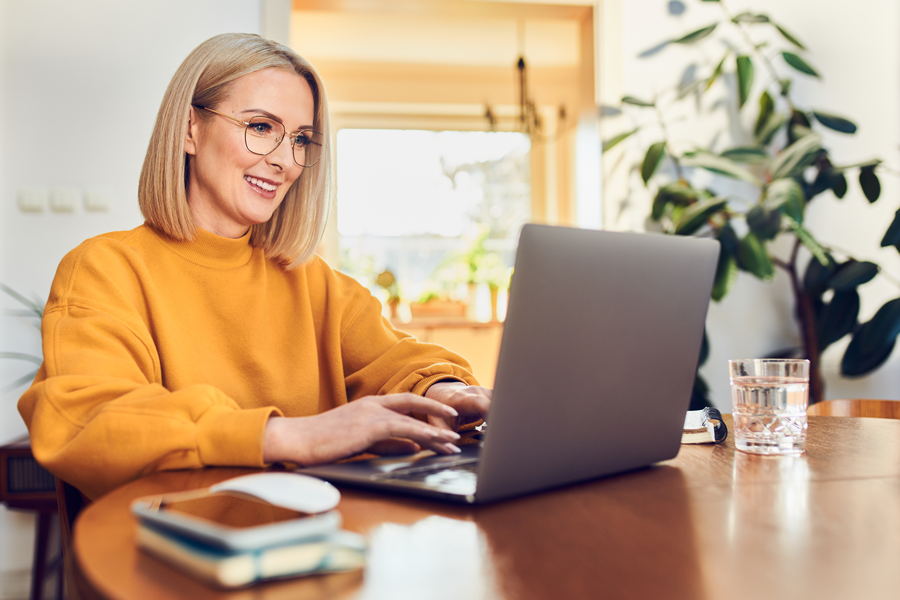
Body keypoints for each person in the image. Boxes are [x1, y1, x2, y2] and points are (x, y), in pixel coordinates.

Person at [17, 33, 491, 500]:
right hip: (171, 555)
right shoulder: (105, 269)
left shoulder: (310, 279)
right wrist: (291, 437)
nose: (285, 161)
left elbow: (400, 360)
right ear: (189, 129)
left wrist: (444, 391)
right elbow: (89, 419)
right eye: (261, 127)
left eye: (301, 139)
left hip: (317, 548)